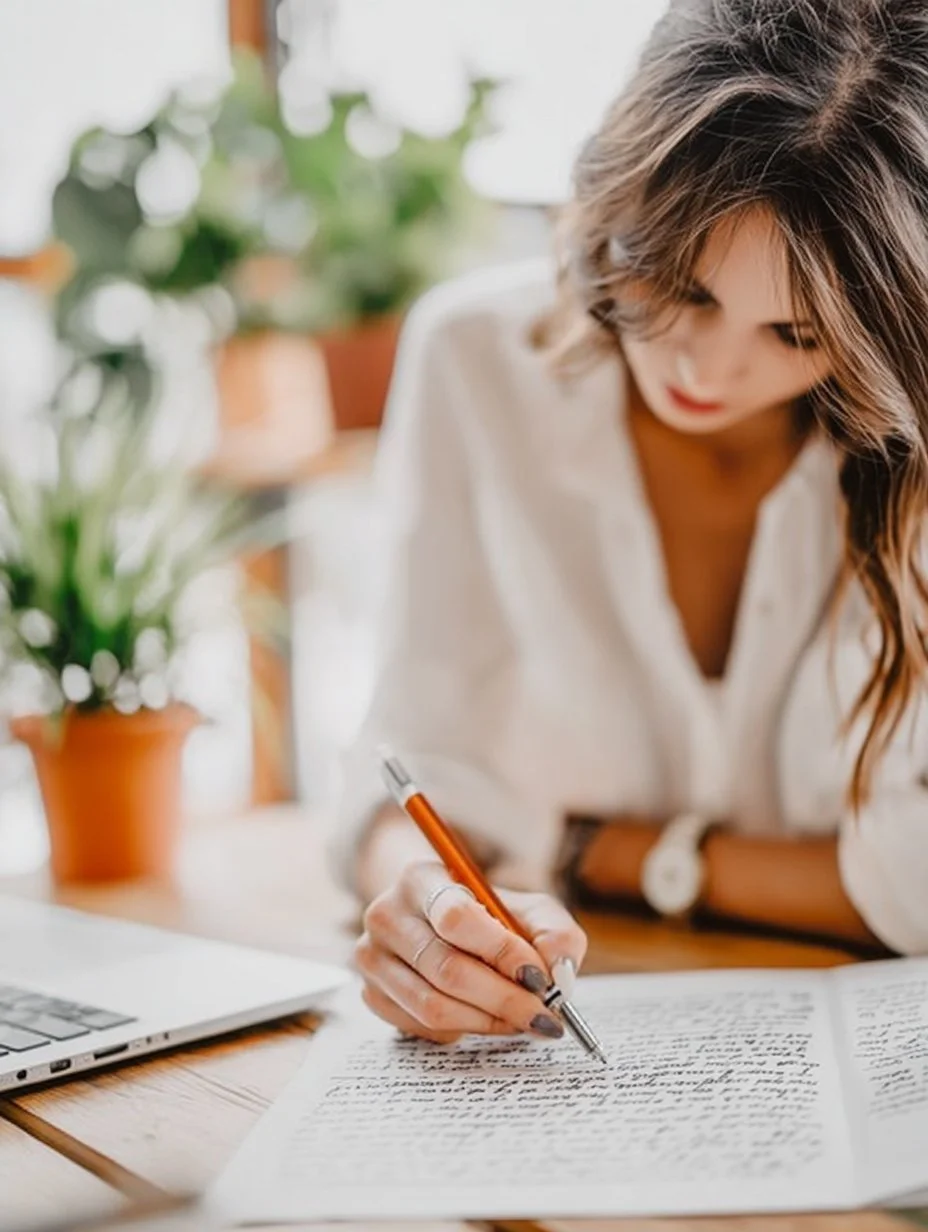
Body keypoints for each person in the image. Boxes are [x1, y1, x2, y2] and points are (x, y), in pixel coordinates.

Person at [331, 0, 928, 1046]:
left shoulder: (908, 431)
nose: (706, 369)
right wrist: (427, 907)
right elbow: (418, 765)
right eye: (677, 287)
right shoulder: (475, 360)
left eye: (794, 332)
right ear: (613, 198)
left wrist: (606, 853)